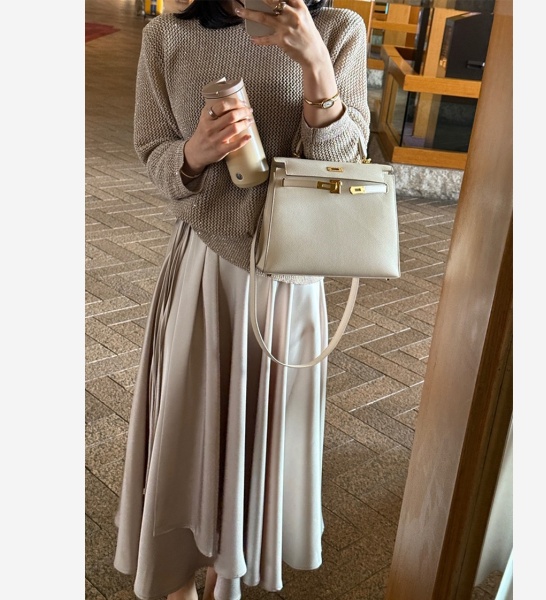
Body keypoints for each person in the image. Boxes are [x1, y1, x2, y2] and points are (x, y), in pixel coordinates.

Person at [113, 0, 370, 599]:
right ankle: (180, 565)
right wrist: (193, 154)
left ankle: (227, 568)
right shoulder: (168, 36)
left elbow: (342, 170)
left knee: (265, 434)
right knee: (189, 427)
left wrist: (316, 66)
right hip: (206, 264)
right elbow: (151, 148)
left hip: (291, 273)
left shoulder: (338, 30)